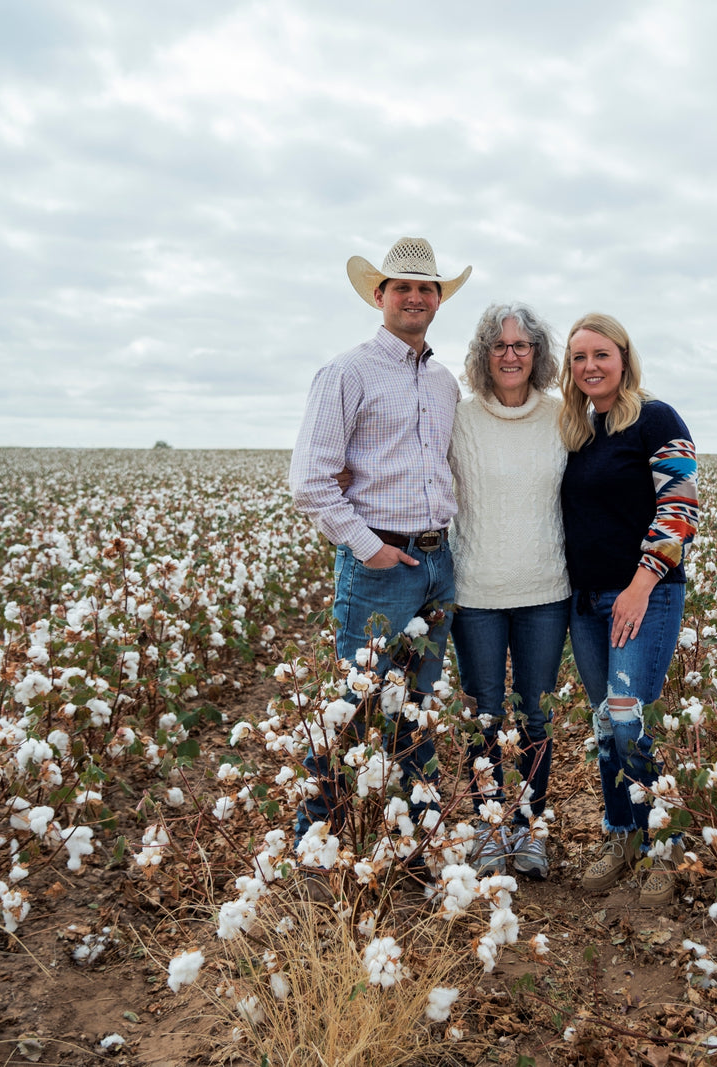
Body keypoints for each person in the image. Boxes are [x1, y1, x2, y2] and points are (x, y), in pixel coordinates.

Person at [287, 236, 472, 889]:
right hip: (378, 562)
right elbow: (310, 480)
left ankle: (413, 844)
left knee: (415, 707)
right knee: (355, 704)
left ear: (438, 299)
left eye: (428, 288)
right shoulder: (349, 372)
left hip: (436, 562)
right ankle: (318, 846)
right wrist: (369, 546)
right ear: (380, 295)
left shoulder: (446, 382)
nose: (417, 297)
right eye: (403, 287)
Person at [557, 312, 699, 906]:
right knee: (604, 722)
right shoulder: (580, 430)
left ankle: (664, 845)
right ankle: (623, 835)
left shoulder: (655, 418)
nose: (589, 366)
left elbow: (680, 506)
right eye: (578, 358)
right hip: (586, 600)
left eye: (600, 355)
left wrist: (641, 584)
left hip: (642, 594)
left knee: (630, 716)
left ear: (624, 358)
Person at [447, 304, 570, 880]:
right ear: (482, 355)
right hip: (475, 593)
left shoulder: (563, 416)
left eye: (522, 346)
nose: (511, 355)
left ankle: (531, 828)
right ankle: (489, 828)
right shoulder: (460, 419)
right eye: (499, 345)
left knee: (537, 718)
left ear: (538, 354)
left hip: (547, 591)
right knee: (485, 717)